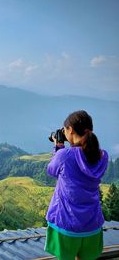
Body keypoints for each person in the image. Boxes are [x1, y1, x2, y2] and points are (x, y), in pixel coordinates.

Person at [44, 110, 108, 260]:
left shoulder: (64, 155)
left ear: (70, 130)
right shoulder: (103, 156)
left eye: (65, 129)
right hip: (92, 225)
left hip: (66, 226)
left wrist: (58, 146)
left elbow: (52, 170)